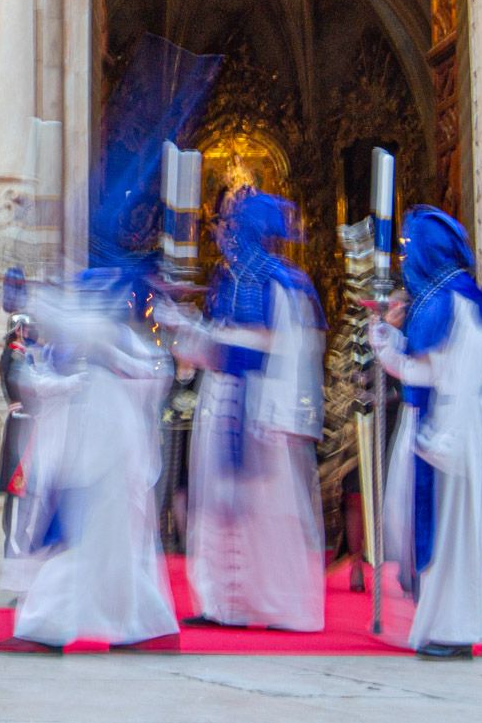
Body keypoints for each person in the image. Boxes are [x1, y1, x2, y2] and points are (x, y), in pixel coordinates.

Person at [156, 190, 326, 634]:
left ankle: (276, 604)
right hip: (223, 403)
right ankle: (221, 603)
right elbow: (218, 341)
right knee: (217, 507)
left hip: (260, 412)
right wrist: (187, 329)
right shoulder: (228, 280)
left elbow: (288, 354)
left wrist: (282, 415)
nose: (230, 235)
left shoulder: (283, 285)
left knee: (264, 511)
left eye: (236, 226)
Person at [0, 274, 180, 654]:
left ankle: (42, 627)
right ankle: (150, 626)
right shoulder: (115, 343)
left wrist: (34, 296)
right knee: (108, 547)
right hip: (97, 450)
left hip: (104, 452)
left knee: (79, 542)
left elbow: (73, 324)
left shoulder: (108, 336)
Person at [368, 206, 482, 660]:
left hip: (452, 423)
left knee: (450, 535)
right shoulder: (461, 295)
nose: (407, 256)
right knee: (454, 533)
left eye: (411, 247)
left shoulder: (447, 300)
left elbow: (426, 374)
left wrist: (382, 341)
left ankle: (452, 627)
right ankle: (449, 624)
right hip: (461, 423)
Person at [0, 269, 37, 557]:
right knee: (18, 488)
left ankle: (19, 542)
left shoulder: (20, 353)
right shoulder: (16, 354)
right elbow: (19, 384)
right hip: (22, 421)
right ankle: (13, 544)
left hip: (27, 422)